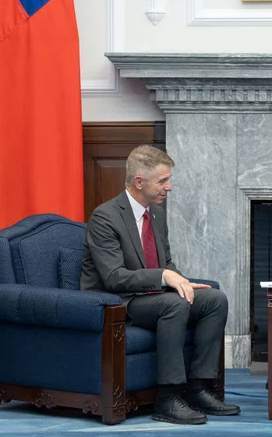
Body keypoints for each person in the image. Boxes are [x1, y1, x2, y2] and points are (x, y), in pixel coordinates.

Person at [80, 145, 240, 426]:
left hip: (152, 295)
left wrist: (182, 281)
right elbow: (114, 277)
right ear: (139, 182)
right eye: (163, 181)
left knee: (214, 299)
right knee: (174, 304)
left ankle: (199, 388)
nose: (170, 187)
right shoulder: (105, 217)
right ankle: (167, 398)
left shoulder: (155, 214)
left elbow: (165, 261)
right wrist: (166, 278)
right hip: (118, 301)